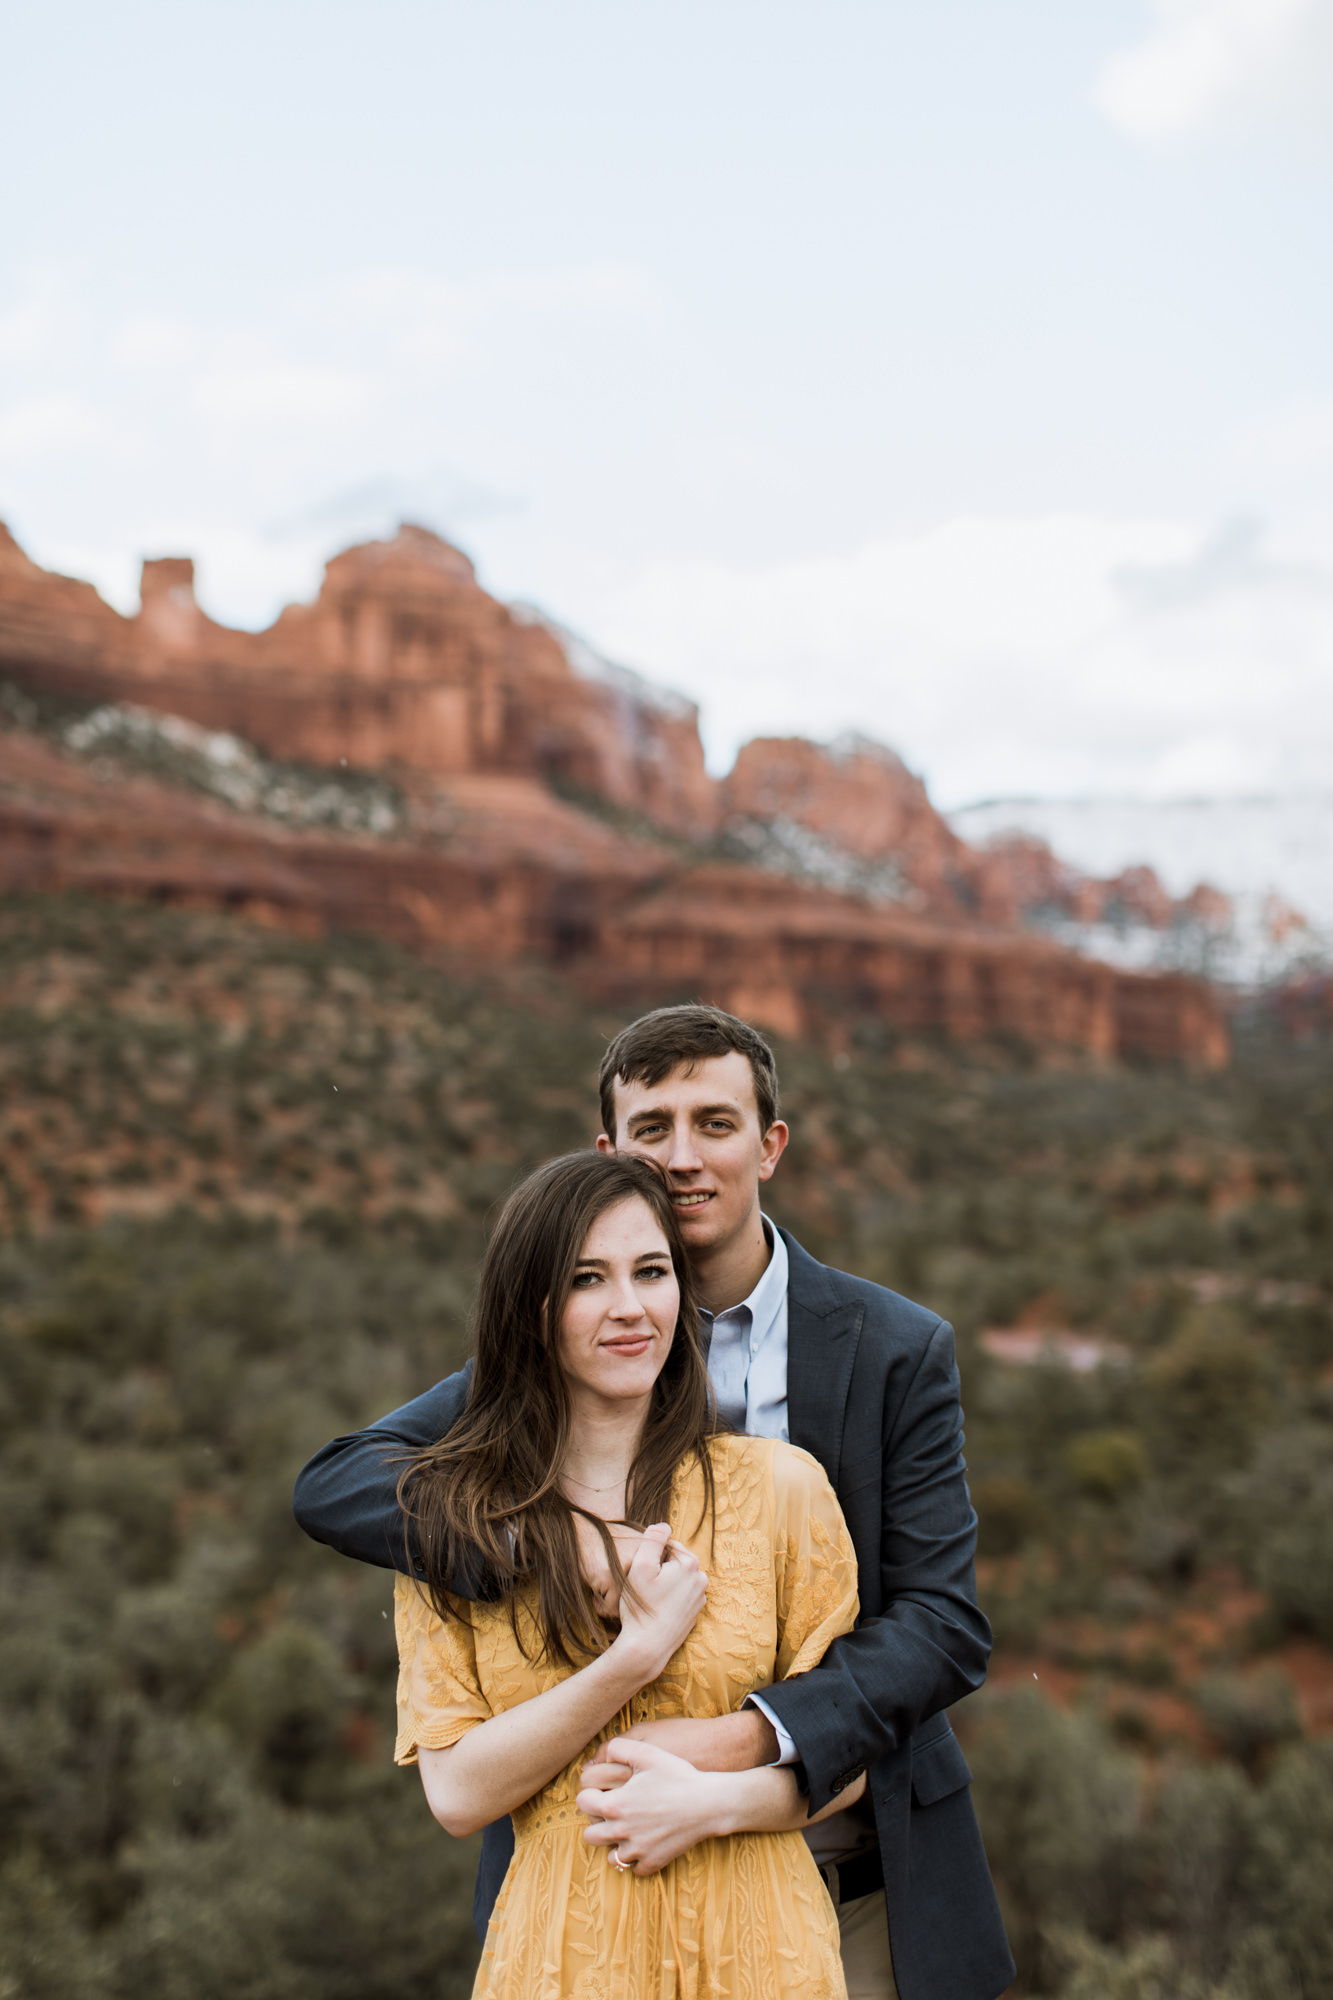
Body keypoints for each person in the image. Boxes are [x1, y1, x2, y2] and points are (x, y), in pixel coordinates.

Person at [294, 1005, 1016, 2000]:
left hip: (855, 1873)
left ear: (769, 1144)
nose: (682, 1155)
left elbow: (939, 1624)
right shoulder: (583, 1340)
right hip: (599, 1890)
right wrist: (552, 1541)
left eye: (714, 1122)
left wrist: (740, 1746)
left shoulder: (893, 1348)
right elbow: (337, 1480)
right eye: (652, 1128)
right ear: (610, 1149)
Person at [392, 1148, 861, 1999]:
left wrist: (716, 1802)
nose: (629, 1308)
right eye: (586, 1280)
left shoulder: (781, 1490)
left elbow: (850, 1755)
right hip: (561, 1962)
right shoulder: (454, 1524)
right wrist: (630, 1661)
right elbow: (457, 1793)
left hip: (762, 1955)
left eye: (650, 1271)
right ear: (529, 1309)